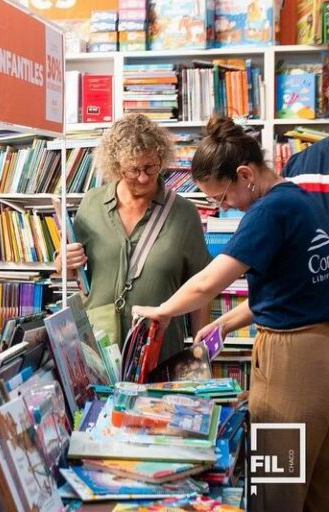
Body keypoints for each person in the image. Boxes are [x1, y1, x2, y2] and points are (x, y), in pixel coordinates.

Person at [133, 116, 329, 512]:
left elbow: (208, 283)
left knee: (276, 484)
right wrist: (225, 322)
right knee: (316, 485)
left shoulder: (268, 211)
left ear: (245, 174)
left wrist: (163, 311)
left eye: (222, 198)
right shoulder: (299, 197)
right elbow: (289, 291)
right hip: (318, 353)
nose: (224, 208)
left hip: (292, 363)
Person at [54, 114, 210, 361]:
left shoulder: (184, 214)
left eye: (151, 167)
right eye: (133, 170)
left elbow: (202, 286)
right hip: (100, 350)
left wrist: (200, 353)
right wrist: (64, 262)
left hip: (160, 351)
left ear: (162, 158)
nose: (144, 178)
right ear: (116, 167)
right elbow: (74, 274)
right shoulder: (92, 203)